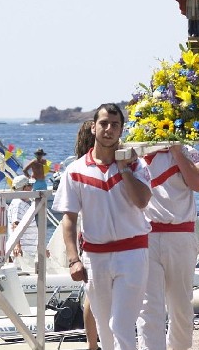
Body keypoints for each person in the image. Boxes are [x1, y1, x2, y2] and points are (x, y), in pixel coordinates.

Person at [52, 103, 153, 350]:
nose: (109, 129)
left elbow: (142, 201)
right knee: (105, 327)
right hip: (95, 258)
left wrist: (124, 169)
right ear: (94, 127)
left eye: (115, 125)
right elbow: (69, 219)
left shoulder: (138, 166)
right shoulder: (75, 171)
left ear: (121, 130)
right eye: (104, 124)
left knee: (121, 324)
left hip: (132, 253)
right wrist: (74, 258)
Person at [136, 140, 199, 350]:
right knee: (149, 308)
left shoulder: (189, 152)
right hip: (146, 236)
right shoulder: (136, 154)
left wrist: (176, 151)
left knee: (181, 307)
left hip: (180, 235)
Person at [72, 120, 100, 350]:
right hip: (95, 234)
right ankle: (94, 342)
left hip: (85, 233)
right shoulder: (92, 166)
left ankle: (92, 343)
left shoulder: (76, 167)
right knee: (93, 293)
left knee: (91, 293)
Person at [7, 175, 48, 271]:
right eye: (29, 185)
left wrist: (41, 247)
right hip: (23, 251)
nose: (32, 188)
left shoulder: (22, 203)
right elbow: (15, 225)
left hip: (28, 250)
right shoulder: (18, 204)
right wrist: (17, 246)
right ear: (24, 188)